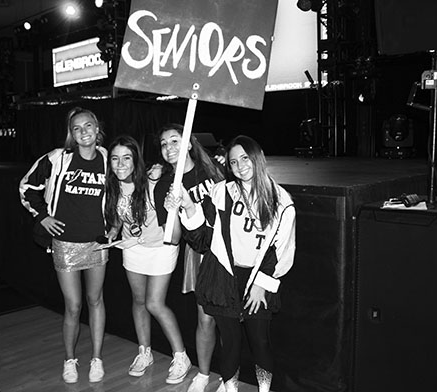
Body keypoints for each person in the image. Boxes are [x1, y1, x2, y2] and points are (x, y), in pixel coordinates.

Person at [165, 135, 296, 392]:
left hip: (258, 280)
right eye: (234, 161)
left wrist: (262, 284)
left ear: (257, 158)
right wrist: (189, 206)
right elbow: (202, 240)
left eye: (245, 158)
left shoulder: (281, 200)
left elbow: (282, 250)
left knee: (260, 342)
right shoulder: (222, 192)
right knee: (230, 343)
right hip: (223, 277)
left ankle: (264, 389)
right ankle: (230, 388)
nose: (240, 166)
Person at [19, 107, 109, 384]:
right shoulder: (57, 158)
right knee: (73, 305)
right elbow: (27, 187)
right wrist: (43, 216)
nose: (83, 132)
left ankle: (96, 358)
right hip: (65, 244)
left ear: (97, 128)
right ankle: (69, 360)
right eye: (76, 128)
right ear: (71, 134)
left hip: (97, 244)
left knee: (96, 301)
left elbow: (126, 186)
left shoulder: (107, 158)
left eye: (88, 126)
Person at [103, 134, 192, 385]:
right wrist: (113, 230)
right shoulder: (115, 185)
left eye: (126, 158)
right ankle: (145, 352)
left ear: (136, 160)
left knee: (154, 303)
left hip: (161, 246)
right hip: (132, 247)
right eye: (115, 159)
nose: (120, 164)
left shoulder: (153, 179)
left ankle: (181, 356)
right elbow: (121, 214)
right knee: (139, 301)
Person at [153, 123, 225, 392]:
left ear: (189, 143)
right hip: (199, 253)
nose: (169, 148)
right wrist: (171, 209)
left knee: (229, 319)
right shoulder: (164, 186)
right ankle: (204, 374)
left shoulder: (215, 170)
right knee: (205, 318)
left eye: (174, 141)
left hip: (229, 249)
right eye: (164, 144)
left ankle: (229, 376)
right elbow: (171, 236)